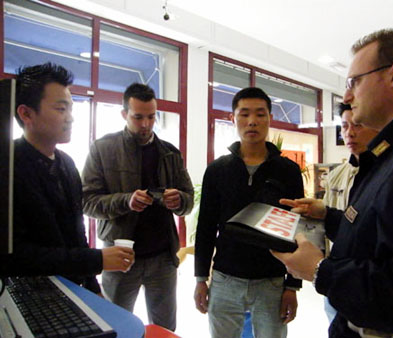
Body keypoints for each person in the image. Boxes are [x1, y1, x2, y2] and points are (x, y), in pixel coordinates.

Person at [272, 29, 393, 337]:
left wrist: (320, 271)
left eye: (355, 81)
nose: (348, 97)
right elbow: (380, 239)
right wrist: (328, 216)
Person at [6, 62, 134, 290]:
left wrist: (94, 290)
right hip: (29, 293)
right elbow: (16, 255)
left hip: (72, 290)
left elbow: (77, 235)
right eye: (61, 109)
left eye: (71, 109)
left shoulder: (66, 163)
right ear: (26, 113)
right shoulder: (9, 165)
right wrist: (97, 259)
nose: (70, 118)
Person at [82, 83, 193, 331]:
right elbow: (87, 202)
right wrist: (126, 200)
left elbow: (189, 199)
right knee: (116, 329)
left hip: (163, 259)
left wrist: (180, 201)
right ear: (124, 114)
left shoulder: (170, 153)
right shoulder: (103, 149)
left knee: (165, 329)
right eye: (138, 117)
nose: (146, 124)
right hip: (120, 257)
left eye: (152, 117)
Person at [194, 87, 304, 338]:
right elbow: (206, 227)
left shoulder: (288, 171)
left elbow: (297, 229)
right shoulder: (217, 170)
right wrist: (201, 278)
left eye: (260, 114)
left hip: (272, 280)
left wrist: (292, 286)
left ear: (270, 119)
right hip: (225, 278)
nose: (252, 121)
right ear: (233, 119)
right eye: (244, 114)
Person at [322, 102, 378, 323]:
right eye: (344, 126)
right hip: (337, 267)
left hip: (369, 275)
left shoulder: (385, 173)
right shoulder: (336, 175)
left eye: (358, 125)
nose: (350, 133)